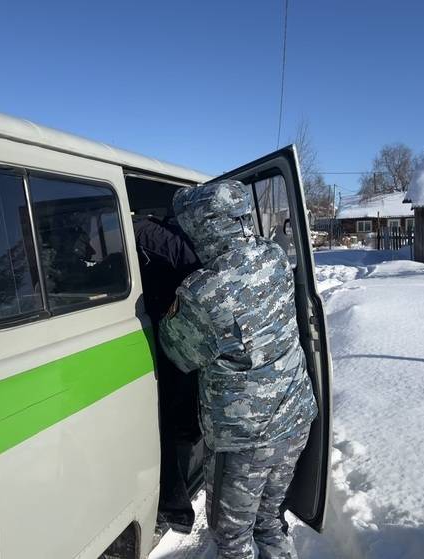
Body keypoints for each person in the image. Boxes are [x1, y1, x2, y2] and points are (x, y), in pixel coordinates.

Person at [159, 181, 317, 559]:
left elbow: (176, 350)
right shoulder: (274, 255)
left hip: (244, 442)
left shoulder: (204, 291)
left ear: (203, 226)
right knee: (269, 521)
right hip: (294, 420)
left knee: (233, 541)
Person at [132, 214, 201, 533]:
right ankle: (177, 501)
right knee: (181, 421)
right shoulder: (175, 240)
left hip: (173, 339)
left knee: (177, 422)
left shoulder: (148, 234)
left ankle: (175, 506)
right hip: (174, 337)